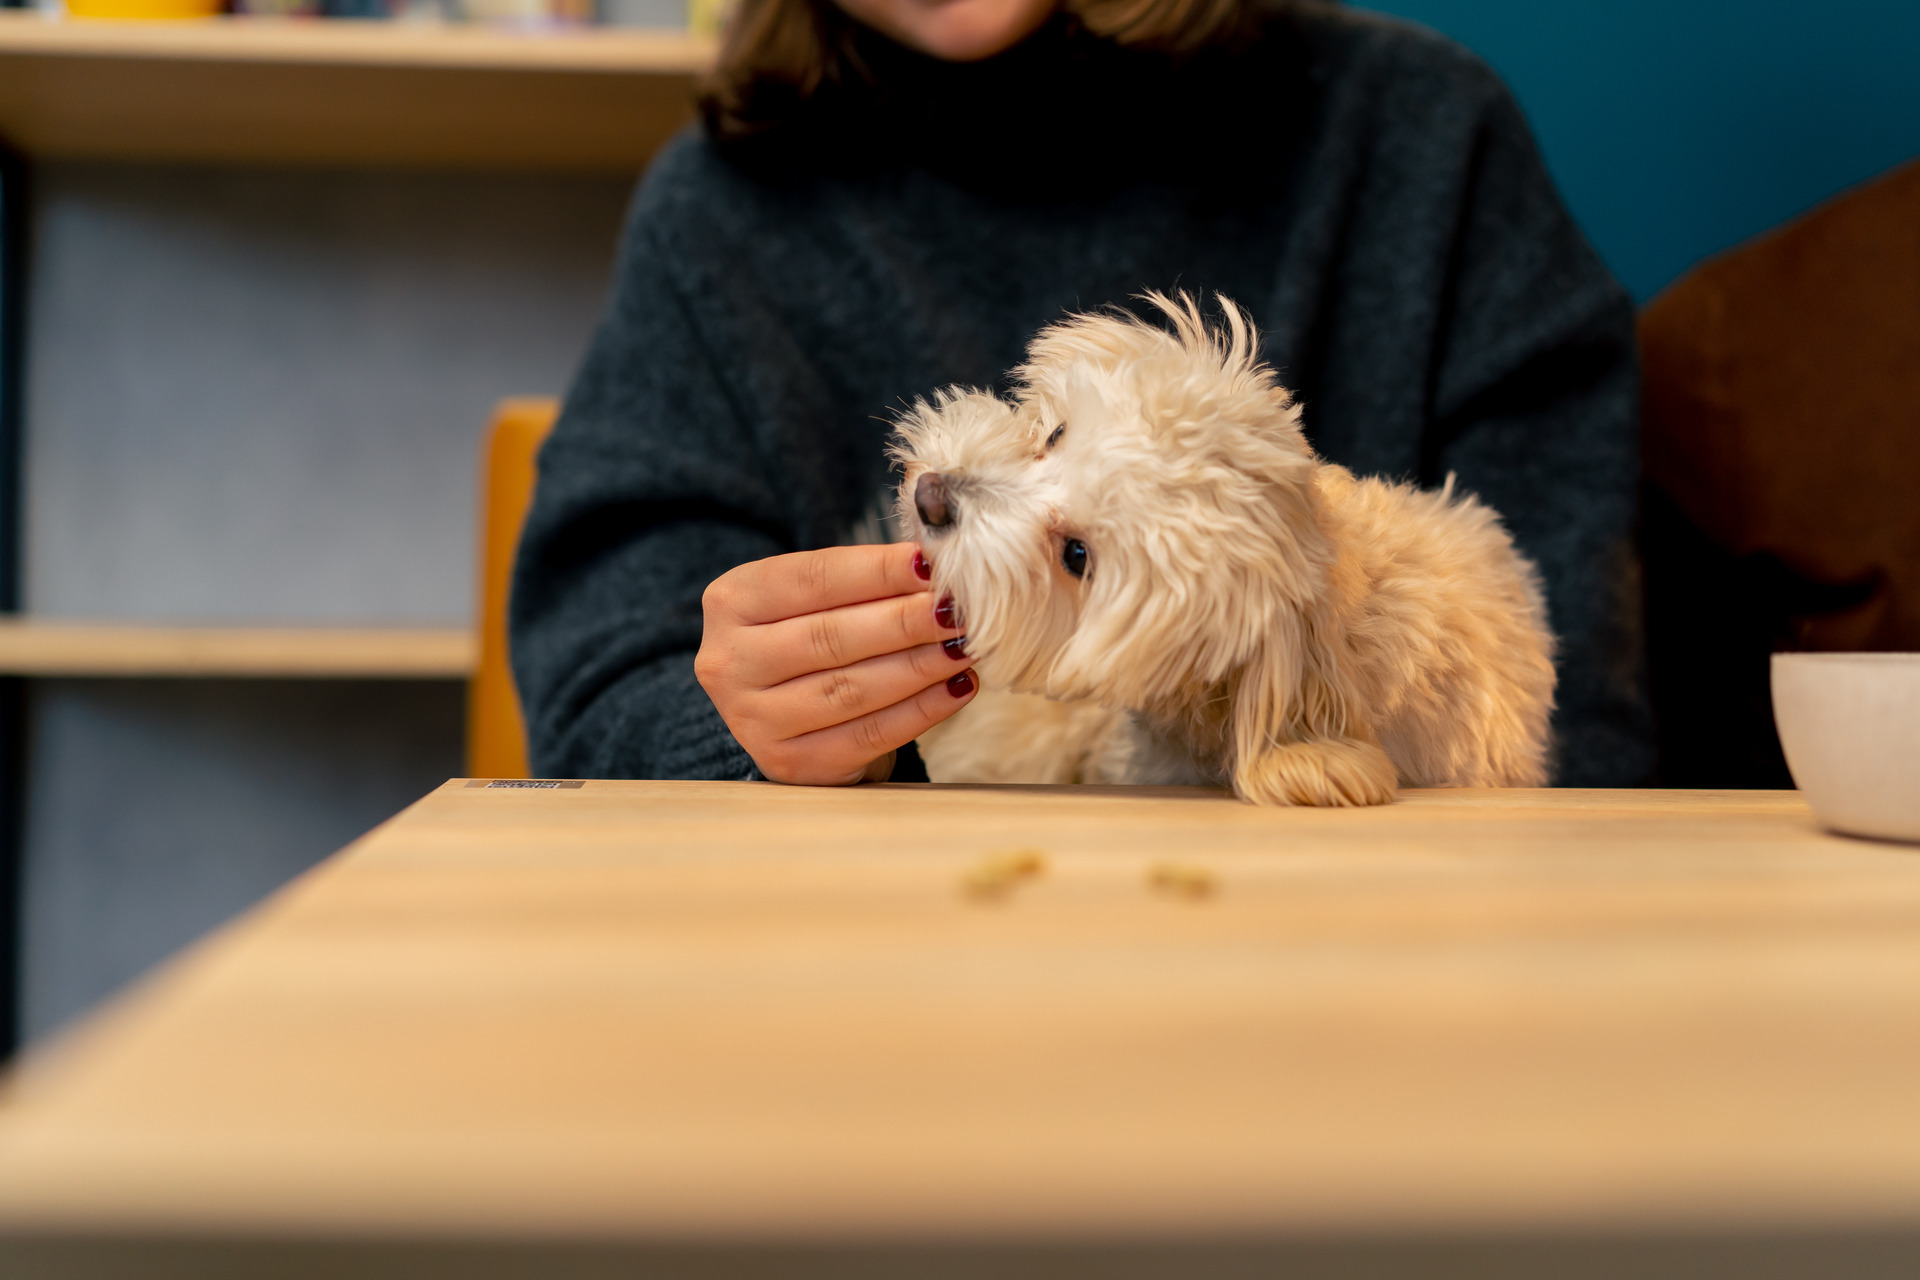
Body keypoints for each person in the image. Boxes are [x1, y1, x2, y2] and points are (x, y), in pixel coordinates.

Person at [510, 0, 1655, 789]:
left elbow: (1564, 724)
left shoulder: (1425, 146)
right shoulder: (720, 212)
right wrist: (739, 729)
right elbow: (596, 693)